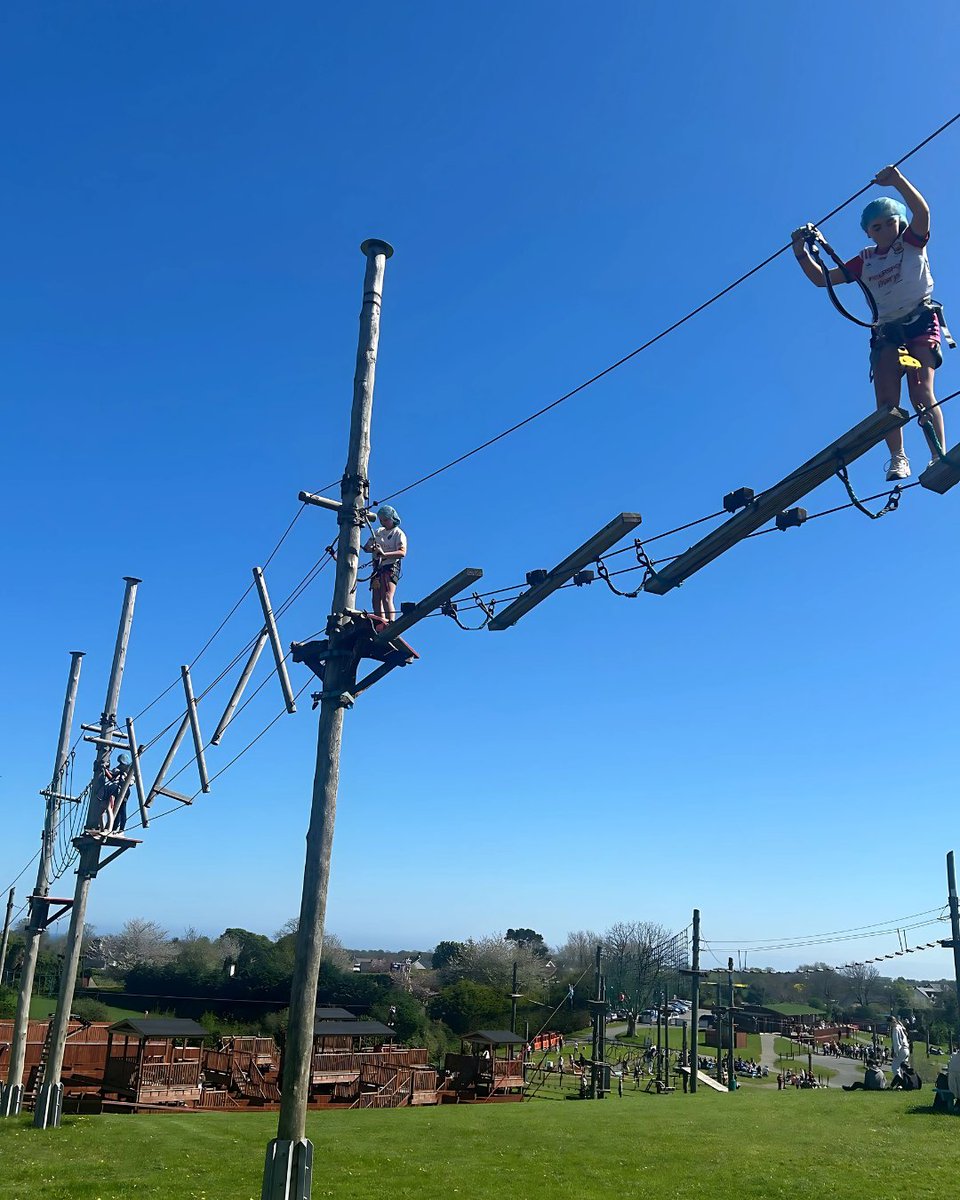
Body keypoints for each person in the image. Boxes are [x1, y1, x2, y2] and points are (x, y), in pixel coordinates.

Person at [791, 166, 950, 481]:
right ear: (869, 232)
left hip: (919, 321)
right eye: (877, 226)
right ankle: (898, 457)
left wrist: (898, 181)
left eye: (890, 222)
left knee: (921, 391)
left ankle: (937, 455)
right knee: (886, 400)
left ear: (899, 222)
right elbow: (823, 279)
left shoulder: (911, 242)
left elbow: (922, 212)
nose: (885, 229)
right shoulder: (865, 260)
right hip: (888, 332)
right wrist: (800, 252)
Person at [363, 505, 407, 623]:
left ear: (393, 518)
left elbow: (402, 552)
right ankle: (379, 622)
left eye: (386, 520)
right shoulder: (378, 532)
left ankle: (390, 621)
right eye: (381, 520)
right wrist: (373, 548)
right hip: (377, 568)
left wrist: (384, 554)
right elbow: (366, 548)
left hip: (390, 566)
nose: (383, 523)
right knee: (376, 599)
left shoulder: (398, 533)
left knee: (386, 596)